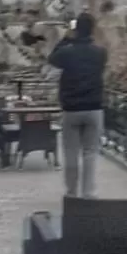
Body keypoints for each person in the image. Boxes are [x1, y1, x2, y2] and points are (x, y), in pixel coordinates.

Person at [47, 13, 107, 198]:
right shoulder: (100, 53)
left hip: (71, 109)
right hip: (94, 108)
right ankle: (89, 193)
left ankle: (72, 192)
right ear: (92, 29)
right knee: (90, 153)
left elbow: (52, 59)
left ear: (76, 29)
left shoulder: (67, 52)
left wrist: (66, 37)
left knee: (71, 153)